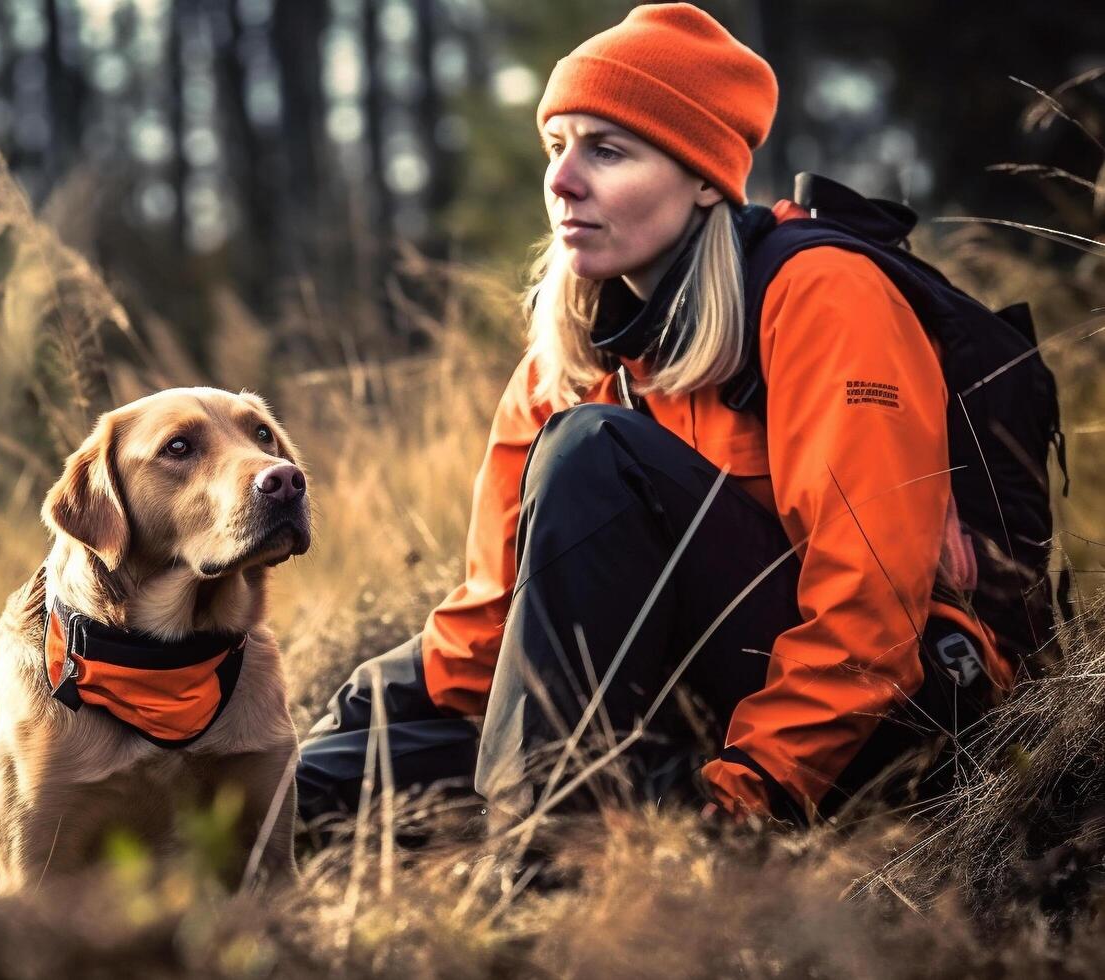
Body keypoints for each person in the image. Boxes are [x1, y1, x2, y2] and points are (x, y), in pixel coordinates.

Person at [296, 2, 1012, 827]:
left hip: (870, 735)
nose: (563, 181)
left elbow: (869, 615)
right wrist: (371, 702)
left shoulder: (822, 297)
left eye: (606, 150)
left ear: (705, 176)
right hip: (667, 721)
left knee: (595, 451)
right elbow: (496, 622)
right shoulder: (563, 365)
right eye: (556, 147)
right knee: (314, 787)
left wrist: (743, 797)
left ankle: (549, 871)